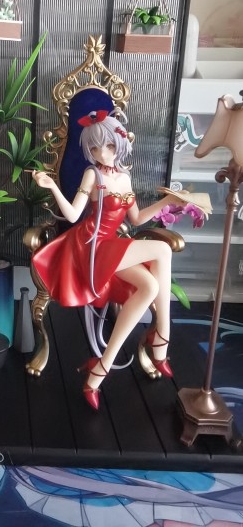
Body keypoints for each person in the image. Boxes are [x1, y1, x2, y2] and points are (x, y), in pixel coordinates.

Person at [31, 109, 189, 409]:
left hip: (113, 245)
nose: (102, 153)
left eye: (109, 145)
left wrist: (168, 201)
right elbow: (73, 215)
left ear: (121, 144)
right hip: (91, 247)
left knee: (149, 287)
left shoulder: (125, 177)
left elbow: (137, 218)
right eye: (94, 148)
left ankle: (99, 370)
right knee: (162, 250)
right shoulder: (93, 174)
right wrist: (52, 187)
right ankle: (162, 340)